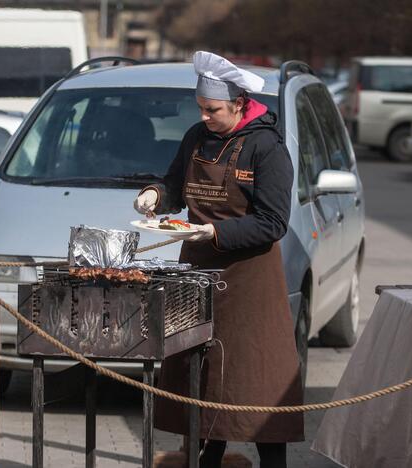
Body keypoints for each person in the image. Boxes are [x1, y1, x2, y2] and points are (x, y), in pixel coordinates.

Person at [133, 51, 303, 468]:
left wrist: (216, 232)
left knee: (256, 382)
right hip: (196, 271)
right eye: (201, 109)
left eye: (213, 110)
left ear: (240, 104)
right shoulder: (195, 136)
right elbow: (176, 184)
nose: (205, 116)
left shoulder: (267, 148)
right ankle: (207, 459)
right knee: (202, 378)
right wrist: (156, 195)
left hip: (250, 283)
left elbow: (273, 222)